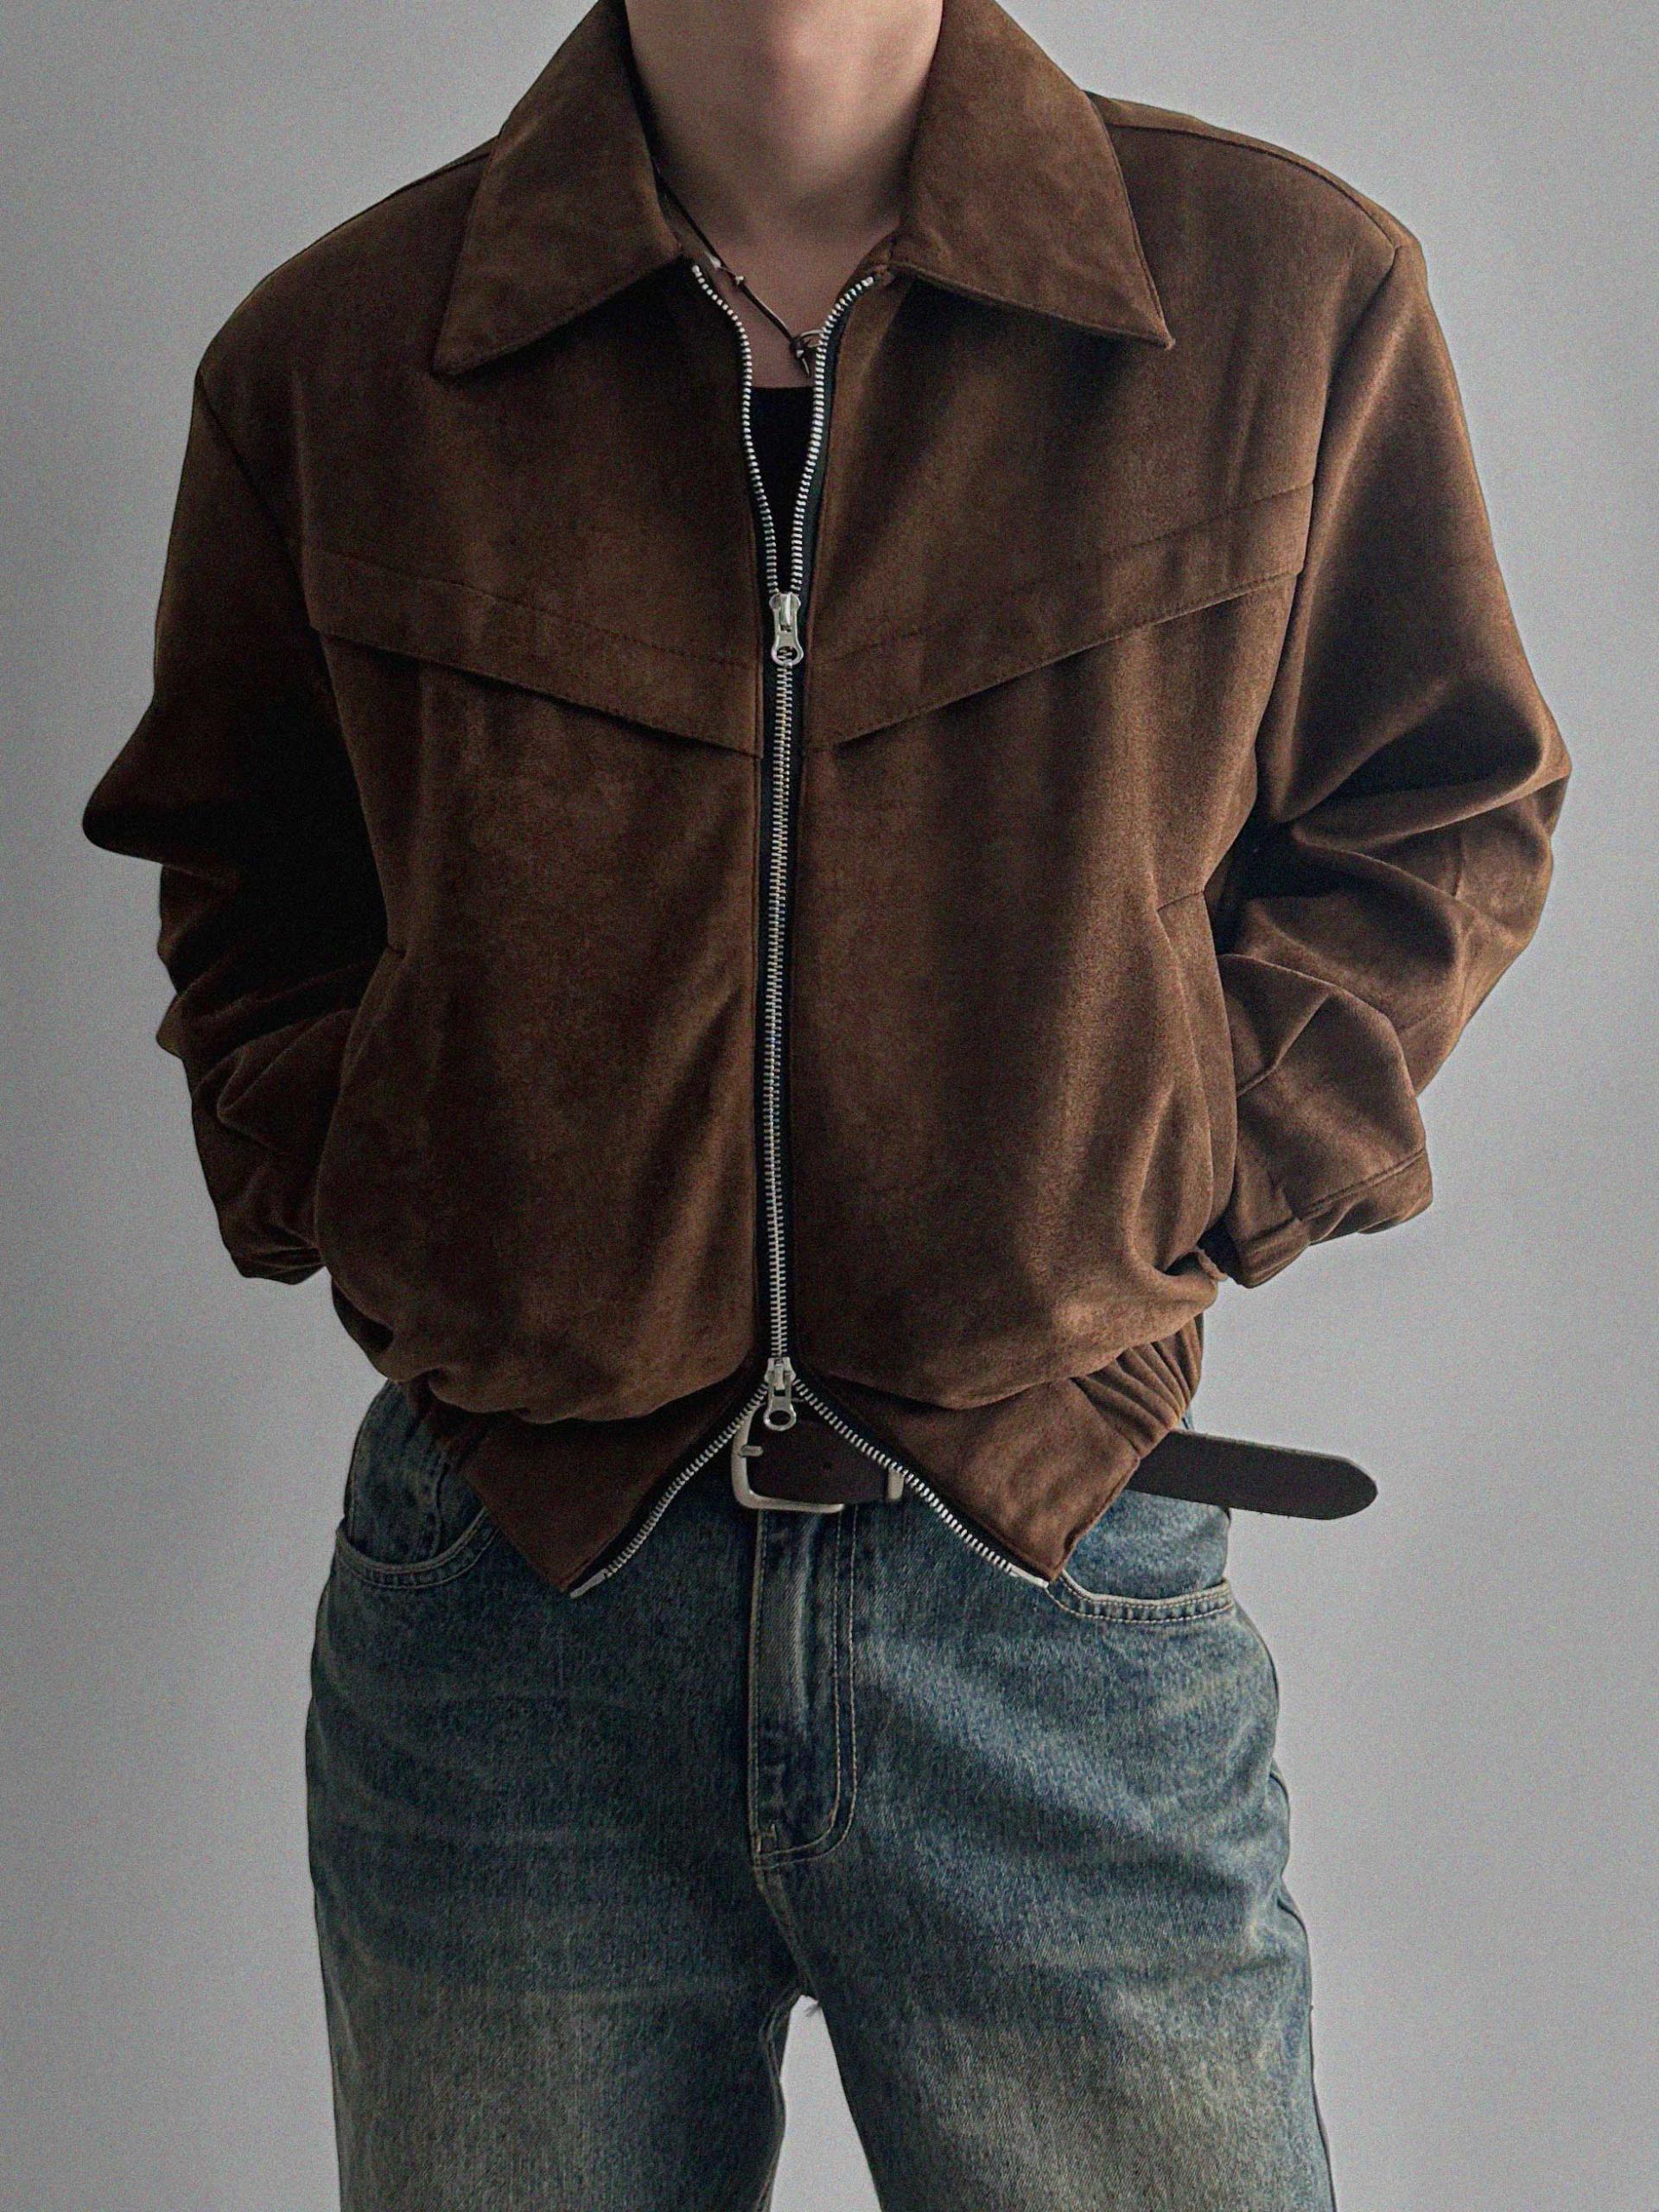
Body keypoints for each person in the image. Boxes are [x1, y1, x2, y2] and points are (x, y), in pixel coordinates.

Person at [80, 0, 1570, 2202]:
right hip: (507, 1628)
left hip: (1048, 1583)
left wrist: (1187, 1156)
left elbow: (1441, 807)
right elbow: (246, 883)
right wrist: (387, 1181)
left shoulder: (1279, 298)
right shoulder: (340, 362)